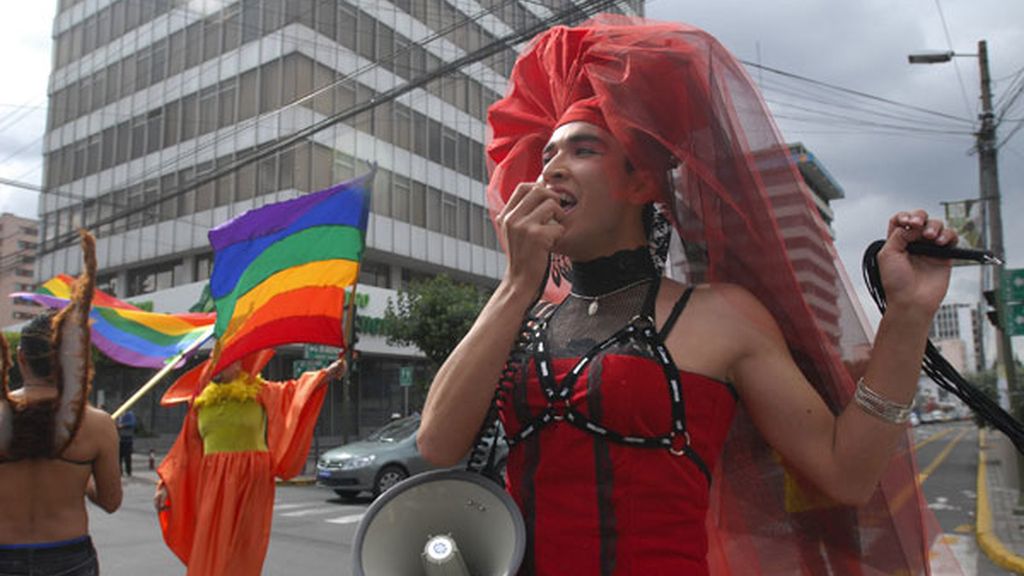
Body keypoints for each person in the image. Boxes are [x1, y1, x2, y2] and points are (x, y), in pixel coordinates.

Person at [418, 15, 956, 575]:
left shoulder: (722, 316)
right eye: (548, 155)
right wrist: (515, 284)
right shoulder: (523, 313)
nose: (551, 170)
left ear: (641, 183)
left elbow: (846, 472)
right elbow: (437, 444)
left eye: (581, 151)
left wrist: (909, 315)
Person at [153, 350, 346, 576]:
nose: (233, 365)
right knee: (211, 544)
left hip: (250, 479)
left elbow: (293, 393)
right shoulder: (201, 400)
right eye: (224, 360)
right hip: (213, 482)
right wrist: (165, 486)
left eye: (235, 360)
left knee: (242, 550)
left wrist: (328, 373)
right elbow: (185, 448)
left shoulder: (259, 390)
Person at [0, 312, 122, 575]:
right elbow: (111, 501)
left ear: (21, 357)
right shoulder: (98, 424)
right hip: (69, 556)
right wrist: (84, 480)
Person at [116, 408, 137, 476]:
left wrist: (122, 425)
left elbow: (132, 423)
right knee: (119, 456)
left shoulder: (129, 415)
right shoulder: (119, 415)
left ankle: (128, 471)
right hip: (119, 438)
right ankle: (119, 471)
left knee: (127, 456)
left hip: (127, 438)